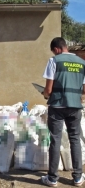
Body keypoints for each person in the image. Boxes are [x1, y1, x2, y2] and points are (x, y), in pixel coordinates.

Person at [41, 37, 85, 187]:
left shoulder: (54, 61)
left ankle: (52, 179)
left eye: (54, 51)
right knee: (75, 140)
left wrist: (46, 95)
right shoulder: (82, 63)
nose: (54, 53)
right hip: (75, 107)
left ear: (57, 49)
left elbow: (48, 89)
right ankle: (78, 177)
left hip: (57, 106)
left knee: (55, 140)